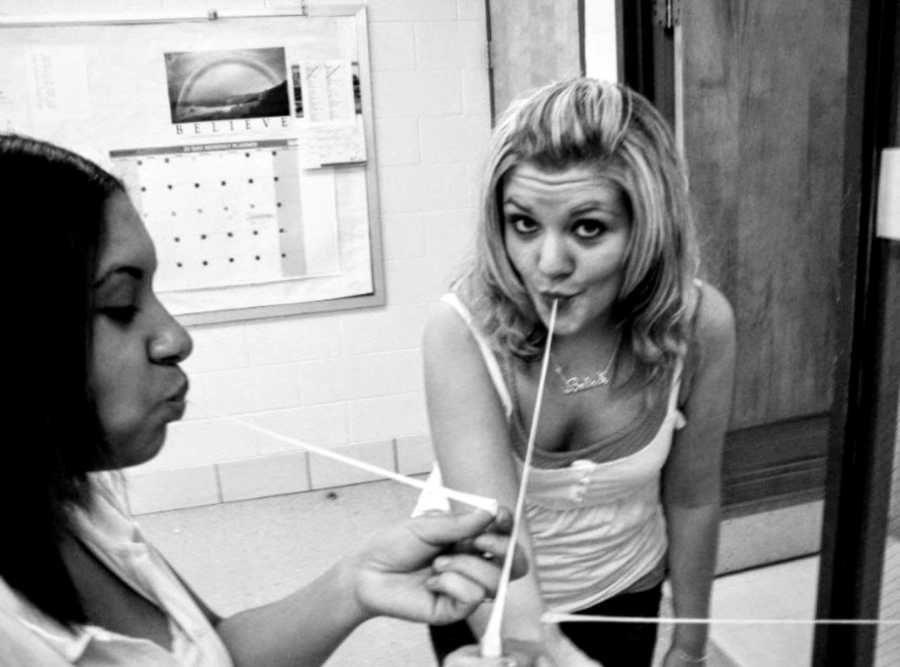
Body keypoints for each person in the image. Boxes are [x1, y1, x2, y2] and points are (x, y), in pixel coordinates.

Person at [0, 134, 535, 667]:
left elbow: (215, 655)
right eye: (120, 302)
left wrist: (355, 583)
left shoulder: (67, 505)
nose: (175, 338)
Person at [421, 78, 736, 667]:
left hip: (625, 590)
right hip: (484, 600)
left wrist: (689, 646)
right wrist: (540, 650)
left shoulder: (701, 325)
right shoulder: (460, 331)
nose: (548, 266)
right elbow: (491, 536)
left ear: (648, 228)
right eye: (524, 224)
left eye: (588, 228)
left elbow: (693, 500)